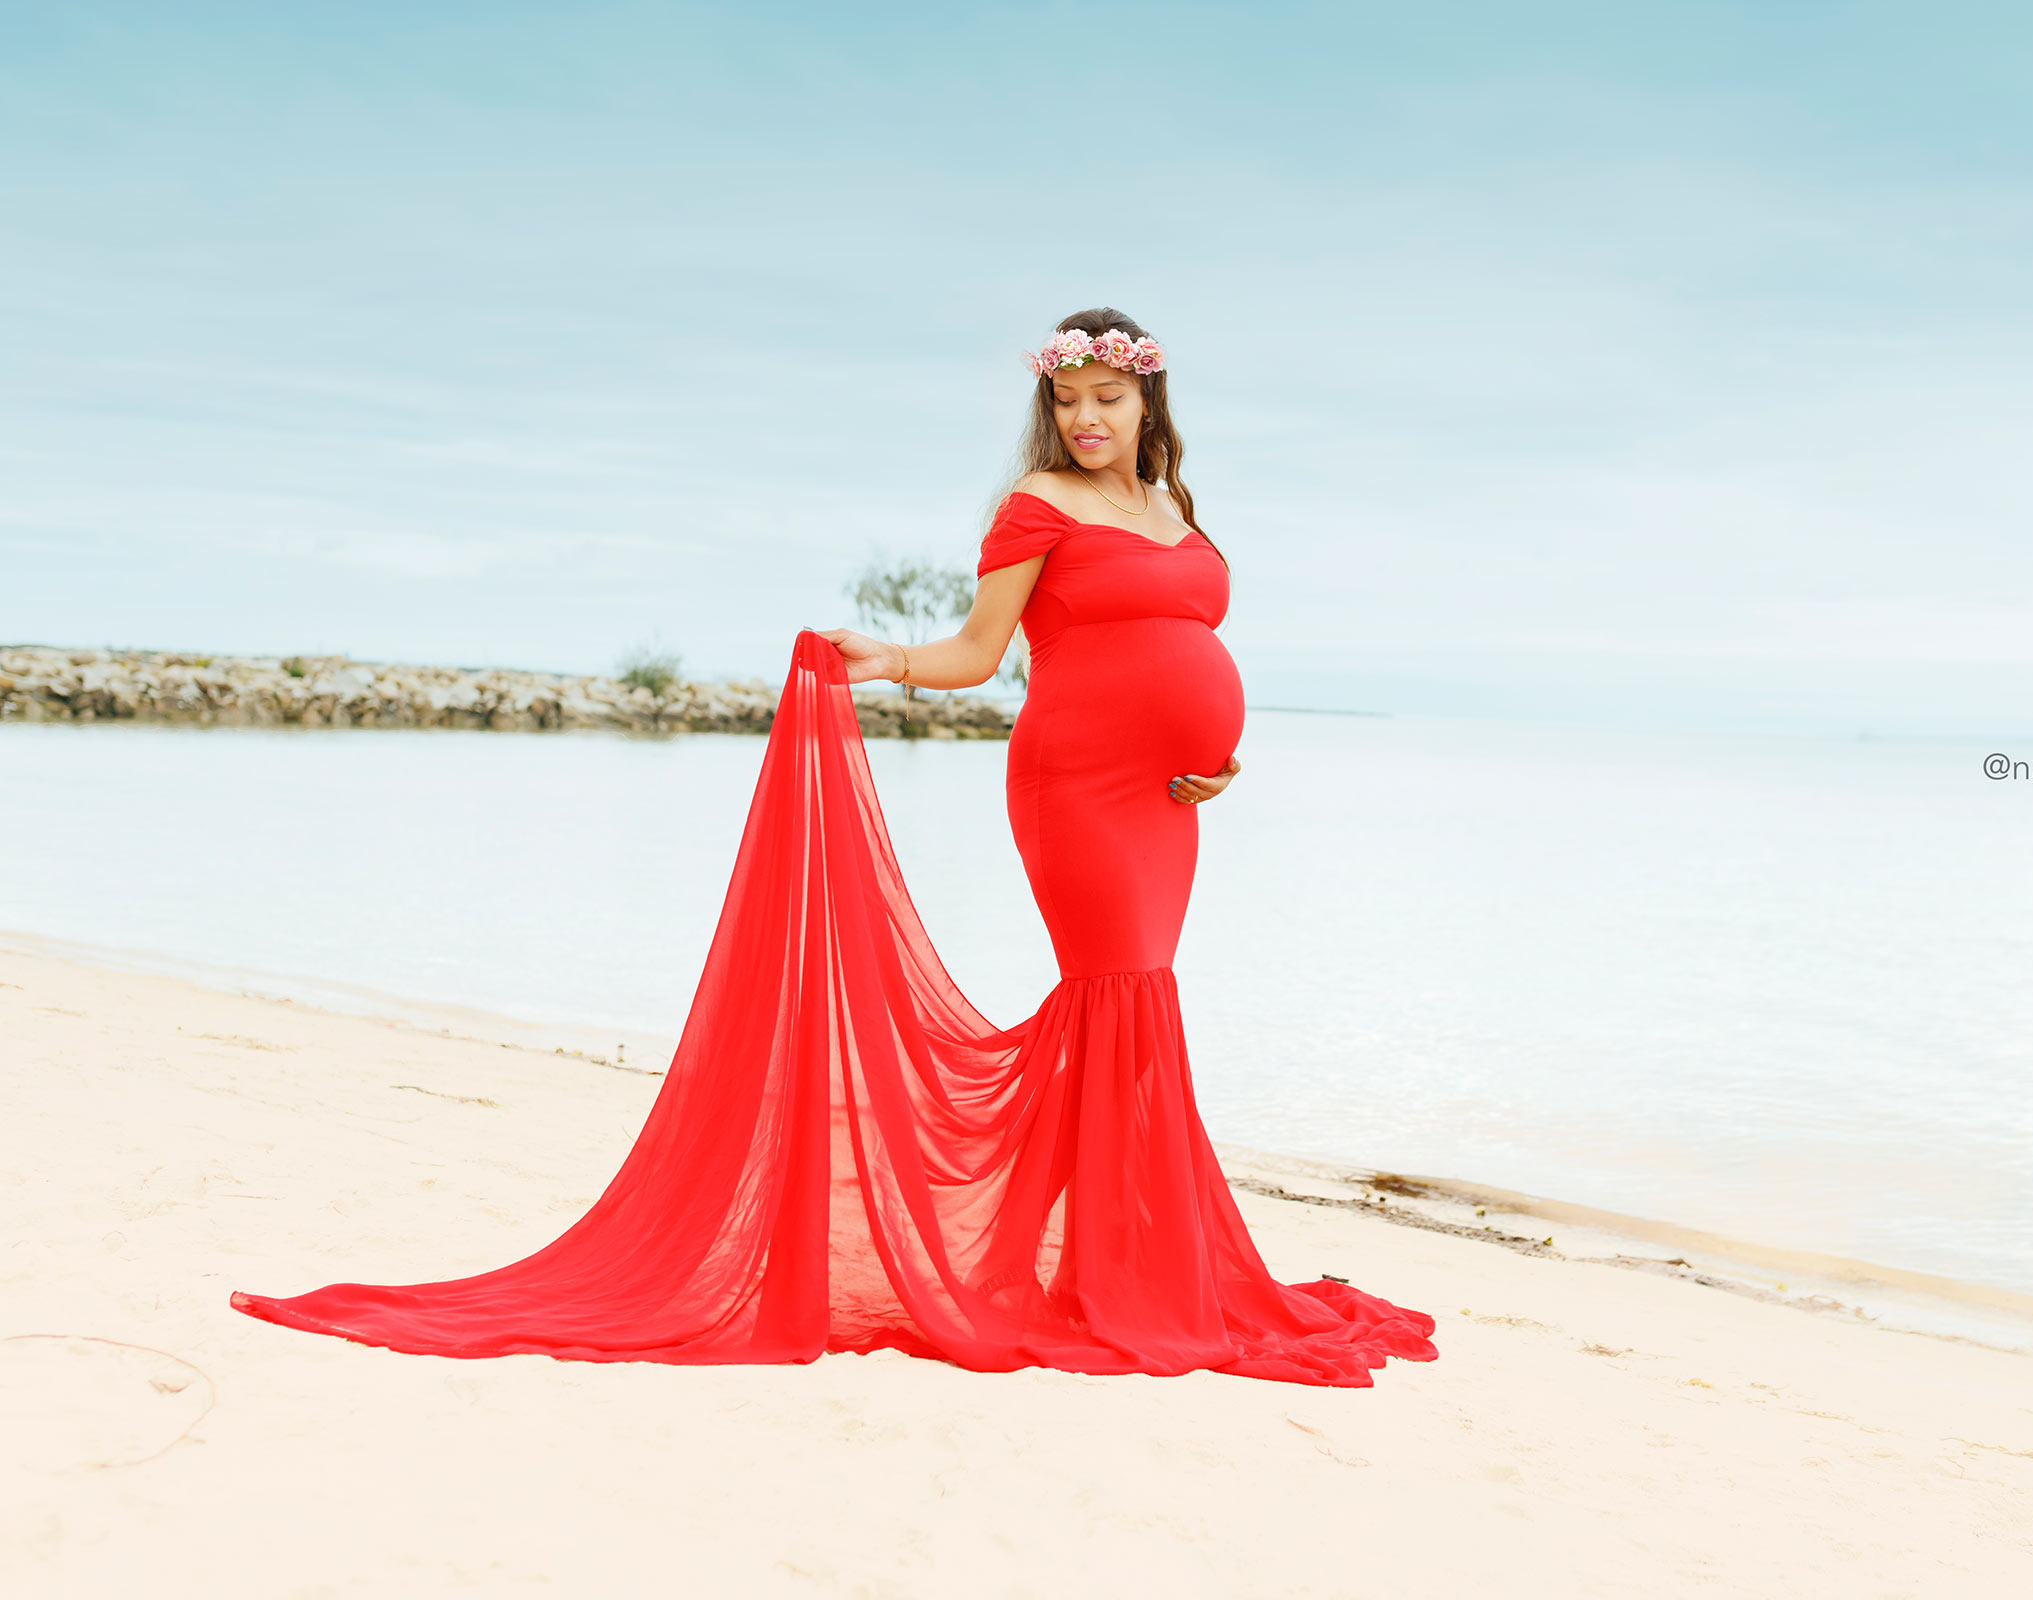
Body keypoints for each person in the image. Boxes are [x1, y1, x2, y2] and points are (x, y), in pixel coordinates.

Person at [231, 309, 1439, 1387]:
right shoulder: (1034, 508)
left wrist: (1218, 756)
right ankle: (1117, 1274)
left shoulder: (1175, 510)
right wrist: (882, 659)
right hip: (1073, 781)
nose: (1084, 419)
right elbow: (979, 654)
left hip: (1170, 801)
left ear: (1148, 405)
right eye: (1068, 400)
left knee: (1136, 1003)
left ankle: (1114, 1259)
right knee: (1118, 990)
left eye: (1106, 400)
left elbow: (1183, 632)